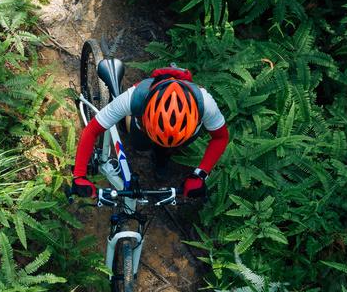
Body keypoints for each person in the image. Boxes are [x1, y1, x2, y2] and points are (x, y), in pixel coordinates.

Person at [71, 65, 230, 200]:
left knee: (170, 144)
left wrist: (200, 175)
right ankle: (125, 118)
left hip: (176, 128)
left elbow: (221, 137)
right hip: (140, 116)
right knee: (139, 143)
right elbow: (91, 130)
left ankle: (162, 151)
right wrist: (79, 175)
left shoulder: (205, 103)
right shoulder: (134, 97)